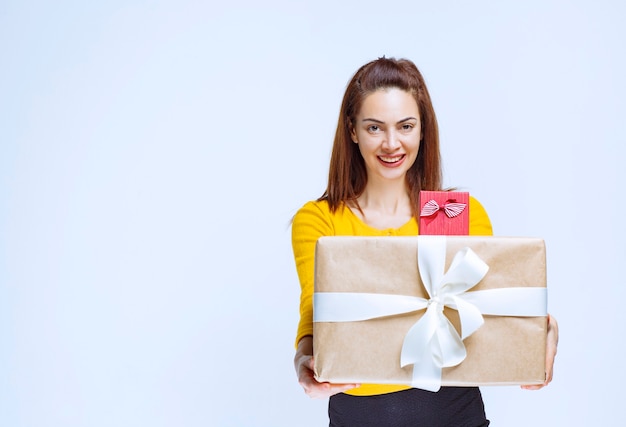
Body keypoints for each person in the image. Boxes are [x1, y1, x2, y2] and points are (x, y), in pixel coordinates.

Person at [291, 57, 559, 426]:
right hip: (359, 415)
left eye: (405, 126)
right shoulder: (320, 219)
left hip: (454, 412)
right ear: (352, 130)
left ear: (422, 131)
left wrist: (543, 329)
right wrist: (302, 363)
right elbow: (315, 317)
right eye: (374, 127)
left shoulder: (452, 214)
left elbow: (490, 315)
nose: (391, 143)